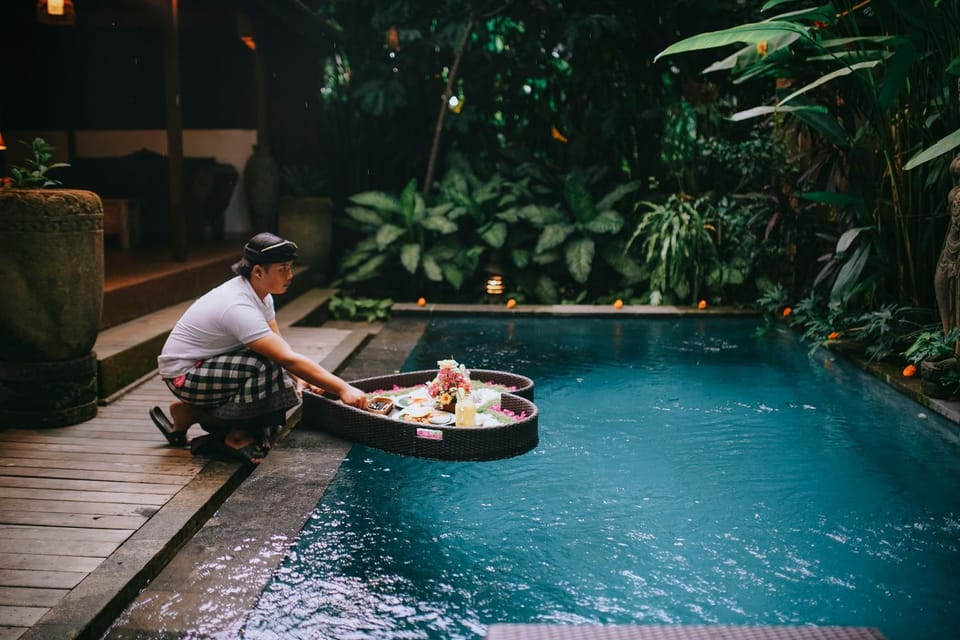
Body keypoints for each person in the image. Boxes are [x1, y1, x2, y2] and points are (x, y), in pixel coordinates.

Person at [149, 232, 367, 463]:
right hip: (185, 375)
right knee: (266, 365)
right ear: (258, 272)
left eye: (290, 268)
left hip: (208, 366)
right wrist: (343, 389)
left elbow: (278, 343)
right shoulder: (237, 305)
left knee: (276, 392)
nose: (290, 275)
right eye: (283, 269)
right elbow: (284, 358)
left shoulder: (260, 293)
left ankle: (190, 414)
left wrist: (300, 379)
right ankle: (236, 435)